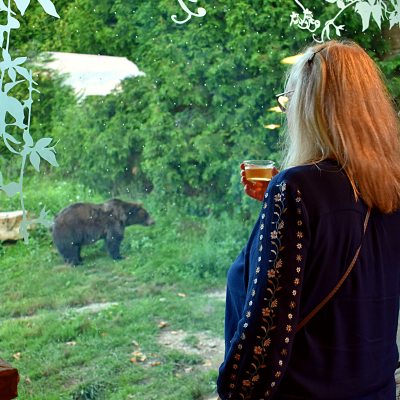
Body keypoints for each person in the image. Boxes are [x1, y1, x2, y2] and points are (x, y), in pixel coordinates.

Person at [216, 39, 400, 399]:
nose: (286, 112)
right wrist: (276, 210)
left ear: (311, 106)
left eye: (289, 100)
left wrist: (234, 389)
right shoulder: (391, 184)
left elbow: (265, 330)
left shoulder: (297, 189)